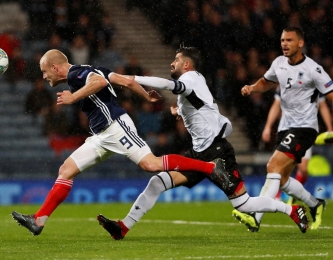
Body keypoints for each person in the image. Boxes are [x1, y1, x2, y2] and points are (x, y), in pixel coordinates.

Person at [11, 49, 233, 236]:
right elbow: (125, 80)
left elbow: (98, 82)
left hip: (116, 126)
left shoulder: (76, 74)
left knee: (151, 165)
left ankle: (211, 167)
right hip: (101, 135)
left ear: (56, 68)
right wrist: (146, 96)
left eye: (44, 71)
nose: (44, 76)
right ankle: (39, 220)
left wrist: (74, 97)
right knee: (66, 170)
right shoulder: (90, 69)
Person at [96, 47, 309, 240]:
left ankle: (292, 210)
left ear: (187, 65)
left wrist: (131, 78)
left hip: (217, 153)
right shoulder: (193, 84)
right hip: (199, 153)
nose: (172, 63)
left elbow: (168, 85)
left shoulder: (192, 78)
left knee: (243, 204)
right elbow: (202, 109)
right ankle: (123, 227)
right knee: (157, 182)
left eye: (177, 60)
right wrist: (179, 111)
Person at [236, 27, 333, 232]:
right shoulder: (278, 63)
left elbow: (330, 96)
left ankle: (256, 217)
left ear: (300, 43)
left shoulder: (313, 69)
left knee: (273, 167)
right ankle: (315, 204)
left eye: (289, 40)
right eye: (282, 40)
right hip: (285, 127)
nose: (284, 44)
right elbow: (266, 82)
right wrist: (253, 87)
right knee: (281, 179)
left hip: (304, 128)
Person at [261, 90, 332, 204]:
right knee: (279, 167)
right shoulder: (286, 78)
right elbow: (276, 105)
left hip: (305, 131)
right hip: (287, 130)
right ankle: (277, 197)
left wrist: (329, 129)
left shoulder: (315, 80)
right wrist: (268, 127)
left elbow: (322, 106)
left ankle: (296, 197)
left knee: (303, 170)